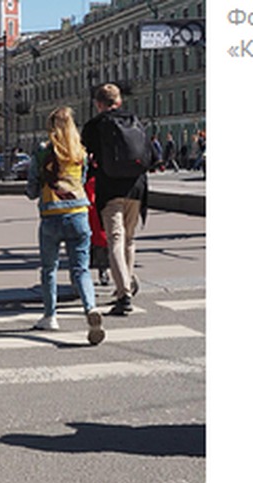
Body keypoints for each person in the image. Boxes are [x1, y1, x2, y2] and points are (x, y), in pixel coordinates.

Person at [26, 107, 104, 345]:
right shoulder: (80, 152)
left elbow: (31, 189)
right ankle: (90, 307)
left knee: (49, 269)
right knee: (80, 269)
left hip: (51, 216)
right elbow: (81, 181)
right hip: (79, 214)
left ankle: (50, 316)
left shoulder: (42, 151)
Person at [81, 83, 149, 316]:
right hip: (137, 188)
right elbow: (151, 154)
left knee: (115, 241)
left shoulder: (95, 125)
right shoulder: (135, 120)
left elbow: (85, 157)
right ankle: (125, 286)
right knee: (129, 240)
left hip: (110, 189)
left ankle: (123, 295)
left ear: (98, 104)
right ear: (119, 101)